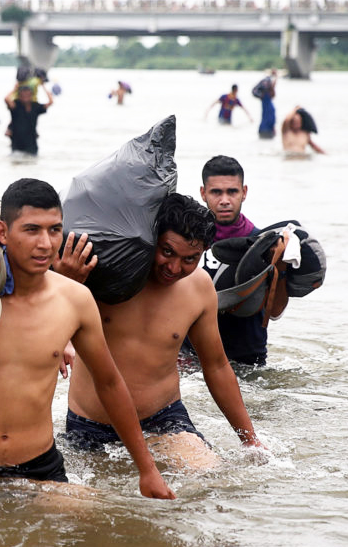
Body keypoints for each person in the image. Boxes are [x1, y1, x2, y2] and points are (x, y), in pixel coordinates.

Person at [0, 178, 174, 498]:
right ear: (3, 232)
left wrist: (147, 470)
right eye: (32, 230)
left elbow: (109, 383)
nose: (46, 244)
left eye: (54, 230)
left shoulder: (74, 300)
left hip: (39, 466)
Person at [65, 194, 263, 470]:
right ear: (151, 239)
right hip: (91, 424)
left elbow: (216, 366)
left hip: (163, 419)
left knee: (212, 477)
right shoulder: (106, 274)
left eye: (189, 259)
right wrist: (68, 285)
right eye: (167, 251)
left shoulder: (199, 287)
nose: (174, 268)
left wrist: (249, 439)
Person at [197, 156, 268, 366]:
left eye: (232, 191)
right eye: (216, 192)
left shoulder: (262, 244)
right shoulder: (188, 242)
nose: (225, 200)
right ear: (203, 193)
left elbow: (276, 310)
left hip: (247, 359)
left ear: (244, 192)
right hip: (193, 356)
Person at [5, 82, 53, 156]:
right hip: (17, 143)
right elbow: (6, 99)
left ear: (31, 95)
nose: (25, 96)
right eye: (23, 94)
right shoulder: (16, 105)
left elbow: (50, 102)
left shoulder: (35, 106)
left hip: (31, 143)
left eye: (28, 94)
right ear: (19, 95)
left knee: (32, 162)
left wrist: (43, 86)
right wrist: (15, 89)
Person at [256, 69, 278, 139]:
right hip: (265, 131)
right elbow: (254, 90)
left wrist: (275, 76)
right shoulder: (265, 99)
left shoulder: (268, 101)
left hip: (268, 131)